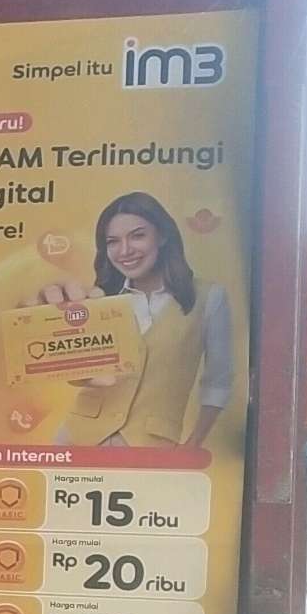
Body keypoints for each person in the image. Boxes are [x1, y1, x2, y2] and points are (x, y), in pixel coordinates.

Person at [46, 193, 232, 450]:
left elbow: (218, 381)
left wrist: (193, 445)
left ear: (162, 236)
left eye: (137, 236)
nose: (125, 251)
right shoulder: (99, 298)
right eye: (113, 241)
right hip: (76, 438)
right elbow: (77, 373)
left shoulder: (209, 297)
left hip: (151, 444)